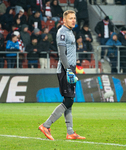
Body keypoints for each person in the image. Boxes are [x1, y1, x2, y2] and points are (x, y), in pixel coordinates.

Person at [39, 10, 85, 140]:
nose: (73, 20)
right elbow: (62, 54)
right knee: (69, 100)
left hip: (70, 68)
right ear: (64, 20)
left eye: (74, 18)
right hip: (65, 70)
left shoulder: (70, 32)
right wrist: (68, 70)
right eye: (70, 18)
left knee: (69, 100)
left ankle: (70, 132)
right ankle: (46, 125)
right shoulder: (62, 32)